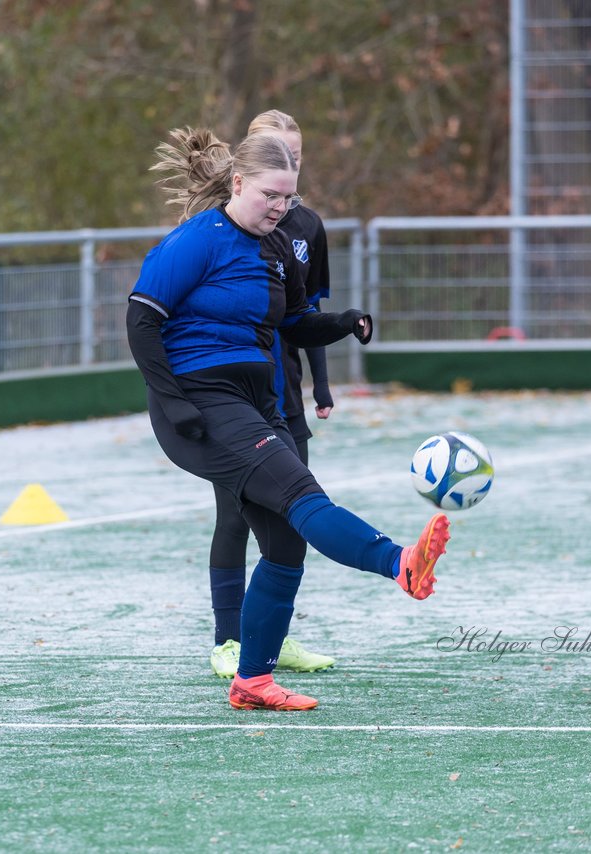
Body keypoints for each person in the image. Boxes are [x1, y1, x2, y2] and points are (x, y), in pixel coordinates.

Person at [128, 127, 450, 711]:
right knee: (303, 495)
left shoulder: (276, 250)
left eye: (288, 198)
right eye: (269, 195)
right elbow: (142, 319)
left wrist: (344, 321)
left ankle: (252, 681)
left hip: (257, 402)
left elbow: (294, 323)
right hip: (203, 400)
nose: (279, 207)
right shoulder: (197, 240)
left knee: (283, 545)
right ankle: (401, 563)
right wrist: (173, 402)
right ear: (238, 183)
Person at [205, 109, 338, 680]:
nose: (289, 168)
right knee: (236, 516)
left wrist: (321, 384)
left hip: (284, 396)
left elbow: (308, 314)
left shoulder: (307, 226)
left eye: (297, 156)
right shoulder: (222, 229)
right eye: (278, 154)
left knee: (289, 522)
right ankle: (226, 640)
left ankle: (271, 635)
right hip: (236, 394)